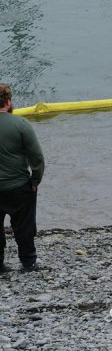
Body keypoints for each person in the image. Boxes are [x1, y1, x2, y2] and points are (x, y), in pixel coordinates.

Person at [0, 83, 44, 272]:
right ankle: (28, 262)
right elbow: (37, 158)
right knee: (24, 226)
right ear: (9, 102)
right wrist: (35, 181)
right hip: (19, 186)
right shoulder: (21, 124)